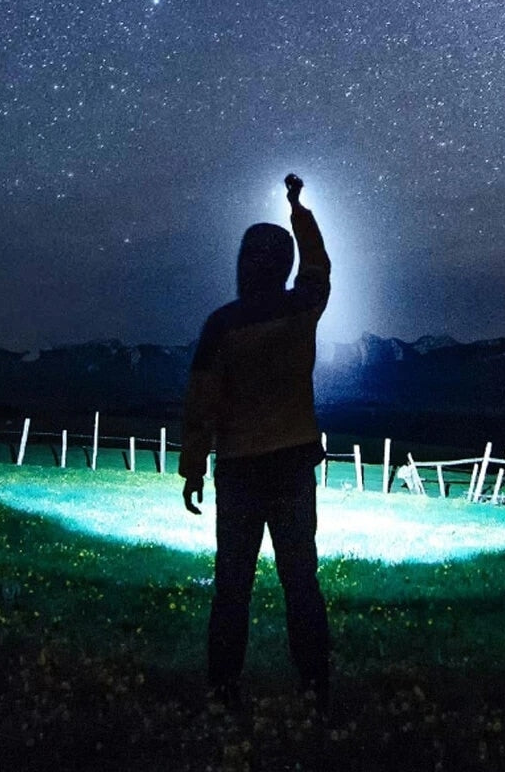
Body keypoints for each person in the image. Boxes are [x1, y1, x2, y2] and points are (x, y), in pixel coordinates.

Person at [179, 173, 331, 713]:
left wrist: (192, 467)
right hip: (293, 465)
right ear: (283, 264)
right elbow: (319, 267)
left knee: (232, 586)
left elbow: (201, 404)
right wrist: (299, 212)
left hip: (239, 469)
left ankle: (223, 690)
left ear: (244, 263)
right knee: (301, 582)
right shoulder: (302, 308)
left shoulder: (221, 324)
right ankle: (315, 687)